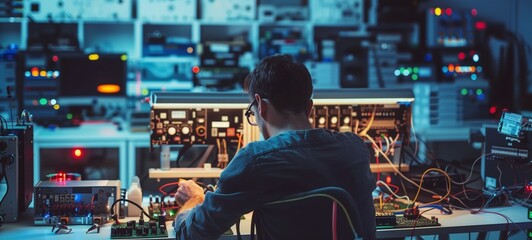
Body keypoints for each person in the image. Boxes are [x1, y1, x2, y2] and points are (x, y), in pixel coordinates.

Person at [173, 54, 376, 239]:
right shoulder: (355, 149)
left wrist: (194, 200)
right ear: (310, 108)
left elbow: (191, 234)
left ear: (260, 106)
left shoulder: (254, 161)